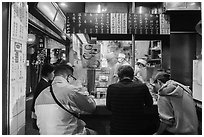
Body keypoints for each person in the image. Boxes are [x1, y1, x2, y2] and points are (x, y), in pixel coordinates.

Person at [34, 64, 97, 135]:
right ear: (69, 77)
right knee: (95, 132)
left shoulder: (41, 94)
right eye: (73, 78)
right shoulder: (71, 90)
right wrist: (81, 88)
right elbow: (91, 107)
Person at [106, 65, 153, 135]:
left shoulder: (112, 88)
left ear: (119, 76)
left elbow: (109, 107)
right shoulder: (142, 87)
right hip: (138, 128)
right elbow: (149, 104)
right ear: (133, 76)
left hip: (117, 129)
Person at [31, 64, 55, 130]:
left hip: (38, 113)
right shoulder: (44, 85)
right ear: (48, 73)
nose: (54, 75)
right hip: (39, 114)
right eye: (53, 72)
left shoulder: (43, 83)